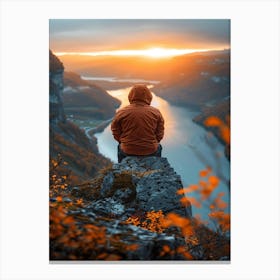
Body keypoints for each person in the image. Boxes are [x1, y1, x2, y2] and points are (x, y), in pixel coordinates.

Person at [111, 84, 164, 163]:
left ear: (131, 96)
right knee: (159, 147)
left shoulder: (121, 112)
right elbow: (159, 134)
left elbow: (115, 131)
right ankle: (156, 168)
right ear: (149, 96)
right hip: (150, 151)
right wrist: (150, 143)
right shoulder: (156, 112)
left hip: (127, 151)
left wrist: (123, 142)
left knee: (120, 147)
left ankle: (122, 168)